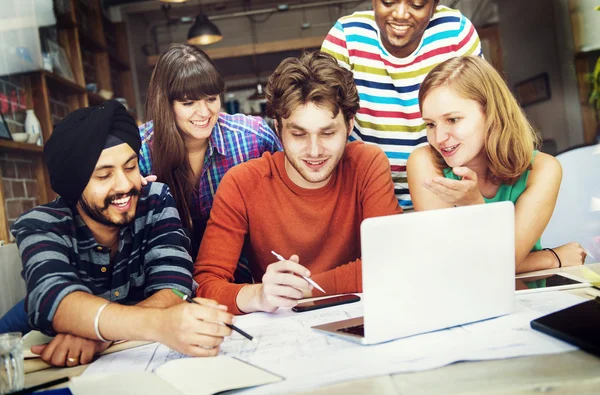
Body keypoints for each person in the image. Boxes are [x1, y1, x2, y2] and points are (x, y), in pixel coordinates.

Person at [6, 100, 233, 367]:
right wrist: (157, 324)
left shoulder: (155, 201)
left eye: (130, 167)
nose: (125, 185)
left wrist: (99, 335)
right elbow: (54, 298)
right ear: (74, 186)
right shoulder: (41, 224)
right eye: (104, 176)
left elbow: (175, 287)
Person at [193, 51, 402, 314]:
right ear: (278, 129)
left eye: (327, 133)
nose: (314, 151)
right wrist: (258, 294)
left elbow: (393, 262)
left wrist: (305, 288)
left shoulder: (367, 164)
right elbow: (204, 286)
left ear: (349, 125)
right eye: (298, 134)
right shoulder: (242, 183)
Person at [406, 56, 587, 273]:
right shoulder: (424, 163)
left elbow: (500, 264)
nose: (440, 137)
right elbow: (450, 268)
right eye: (431, 124)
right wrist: (551, 258)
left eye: (452, 119)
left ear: (491, 114)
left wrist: (473, 204)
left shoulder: (543, 169)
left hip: (530, 297)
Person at [321, 0, 482, 209]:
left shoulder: (456, 33)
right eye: (388, 1)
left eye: (416, 5)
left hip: (445, 191)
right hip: (365, 193)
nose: (400, 14)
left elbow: (481, 112)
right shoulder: (345, 37)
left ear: (434, 5)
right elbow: (324, 120)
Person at [138, 43, 282, 269]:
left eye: (211, 99)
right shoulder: (139, 151)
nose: (204, 113)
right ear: (165, 104)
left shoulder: (253, 137)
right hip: (164, 274)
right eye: (188, 103)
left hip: (246, 274)